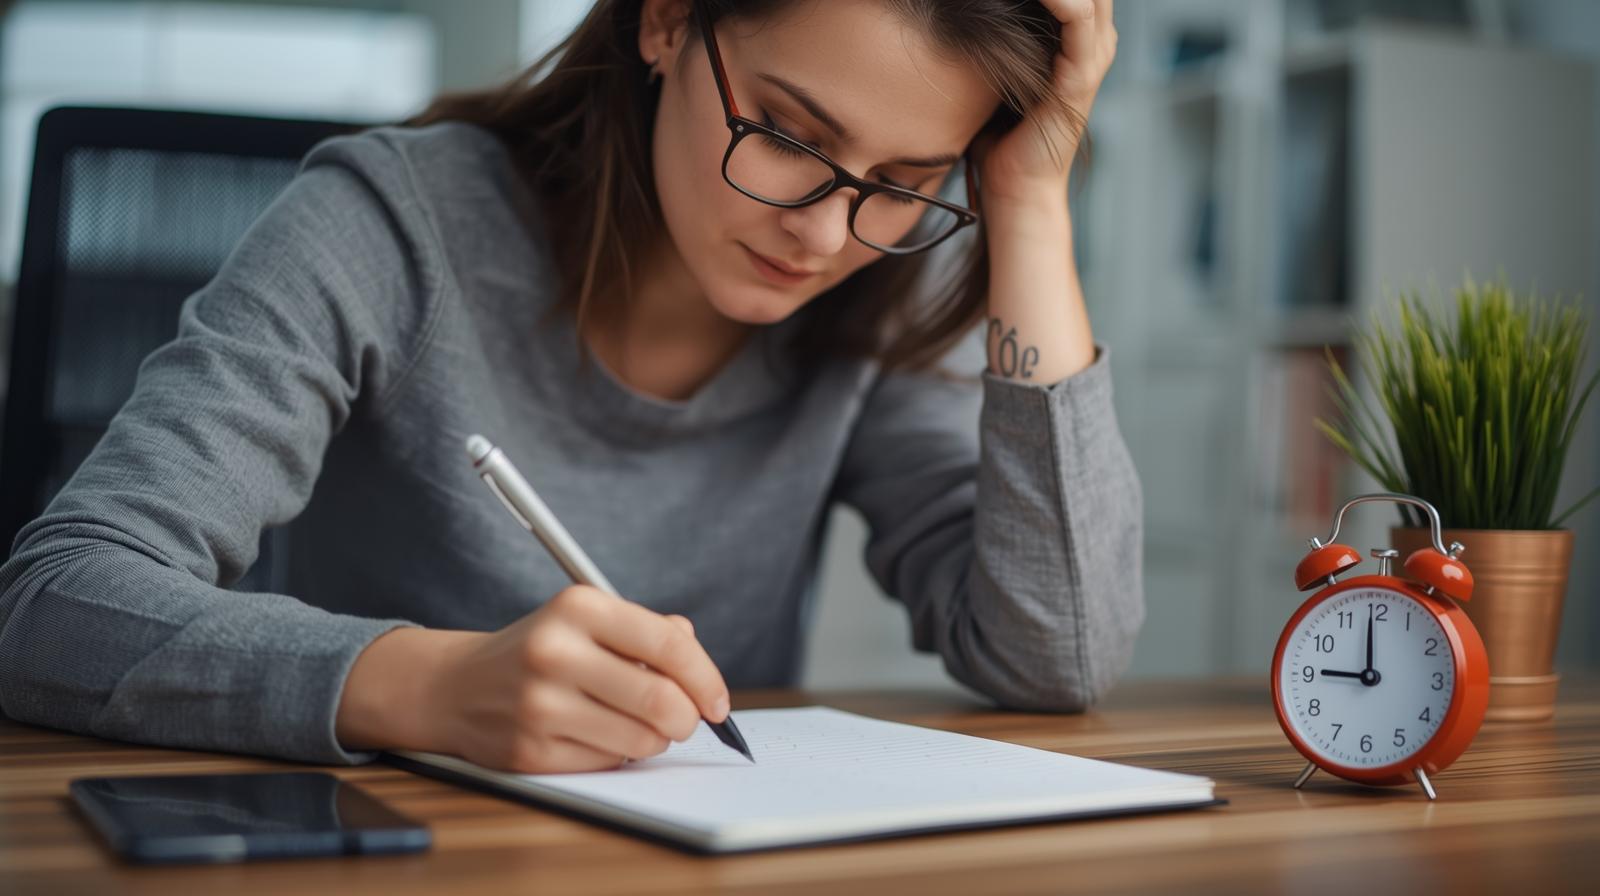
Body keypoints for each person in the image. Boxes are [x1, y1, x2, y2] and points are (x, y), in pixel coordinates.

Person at [0, 0, 1136, 774]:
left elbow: (1057, 653)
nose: (828, 234)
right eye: (790, 137)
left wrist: (1030, 200)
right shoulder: (388, 225)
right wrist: (423, 687)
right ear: (667, 20)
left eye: (906, 179)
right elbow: (54, 605)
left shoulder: (886, 276)